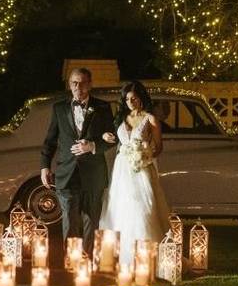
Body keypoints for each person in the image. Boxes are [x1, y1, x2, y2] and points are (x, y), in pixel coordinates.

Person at [40, 67, 117, 252]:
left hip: (94, 173)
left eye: (82, 83)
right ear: (69, 84)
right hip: (67, 173)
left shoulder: (102, 107)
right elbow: (50, 140)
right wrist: (44, 166)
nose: (78, 86)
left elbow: (114, 138)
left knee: (91, 219)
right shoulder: (59, 108)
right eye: (74, 82)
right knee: (70, 218)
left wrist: (92, 146)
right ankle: (71, 261)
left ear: (90, 85)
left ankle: (88, 260)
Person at [99, 80, 172, 268]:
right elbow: (112, 138)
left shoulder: (150, 119)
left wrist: (145, 156)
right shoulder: (120, 119)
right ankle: (122, 257)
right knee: (121, 208)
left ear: (141, 99)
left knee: (143, 208)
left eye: (134, 98)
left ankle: (146, 259)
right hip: (122, 170)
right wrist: (105, 136)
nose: (130, 102)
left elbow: (159, 147)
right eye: (127, 99)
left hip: (142, 170)